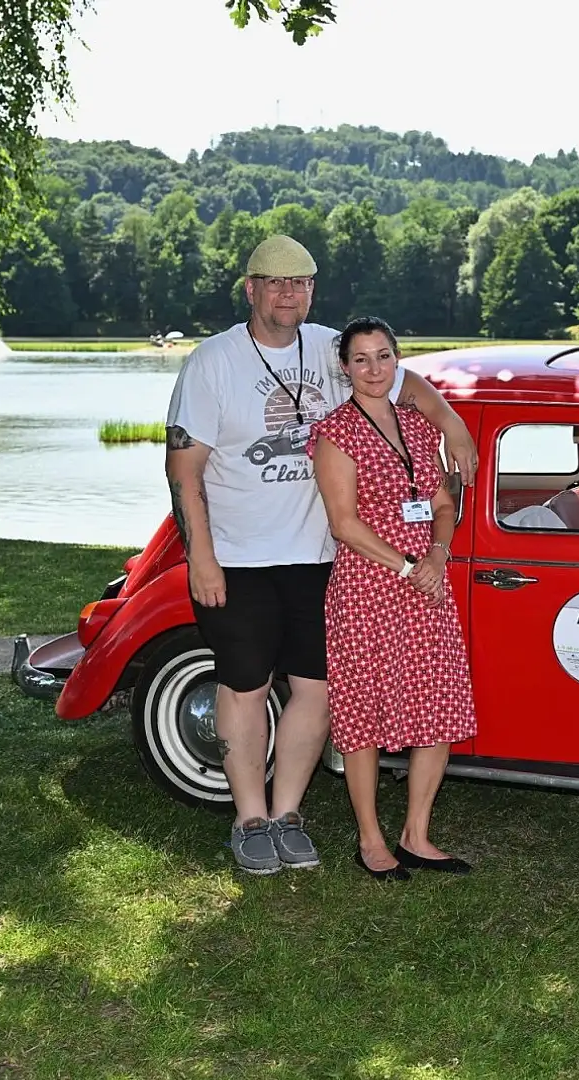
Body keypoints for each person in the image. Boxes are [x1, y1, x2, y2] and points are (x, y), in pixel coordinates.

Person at [164, 235, 477, 875]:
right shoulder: (213, 362)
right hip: (240, 555)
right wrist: (201, 555)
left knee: (316, 687)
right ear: (250, 288)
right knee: (244, 684)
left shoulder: (332, 349)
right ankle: (250, 818)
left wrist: (454, 427)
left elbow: (402, 380)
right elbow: (183, 466)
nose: (288, 294)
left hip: (317, 556)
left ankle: (287, 812)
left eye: (300, 283)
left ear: (313, 290)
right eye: (275, 283)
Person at [312, 316, 477, 882]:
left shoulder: (416, 424)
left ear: (396, 360)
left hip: (427, 584)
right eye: (361, 359)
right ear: (344, 367)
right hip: (368, 588)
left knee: (438, 707)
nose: (374, 369)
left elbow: (443, 500)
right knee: (364, 714)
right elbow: (344, 524)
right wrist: (408, 566)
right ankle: (371, 839)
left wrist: (436, 555)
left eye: (383, 356)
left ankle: (417, 835)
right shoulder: (337, 433)